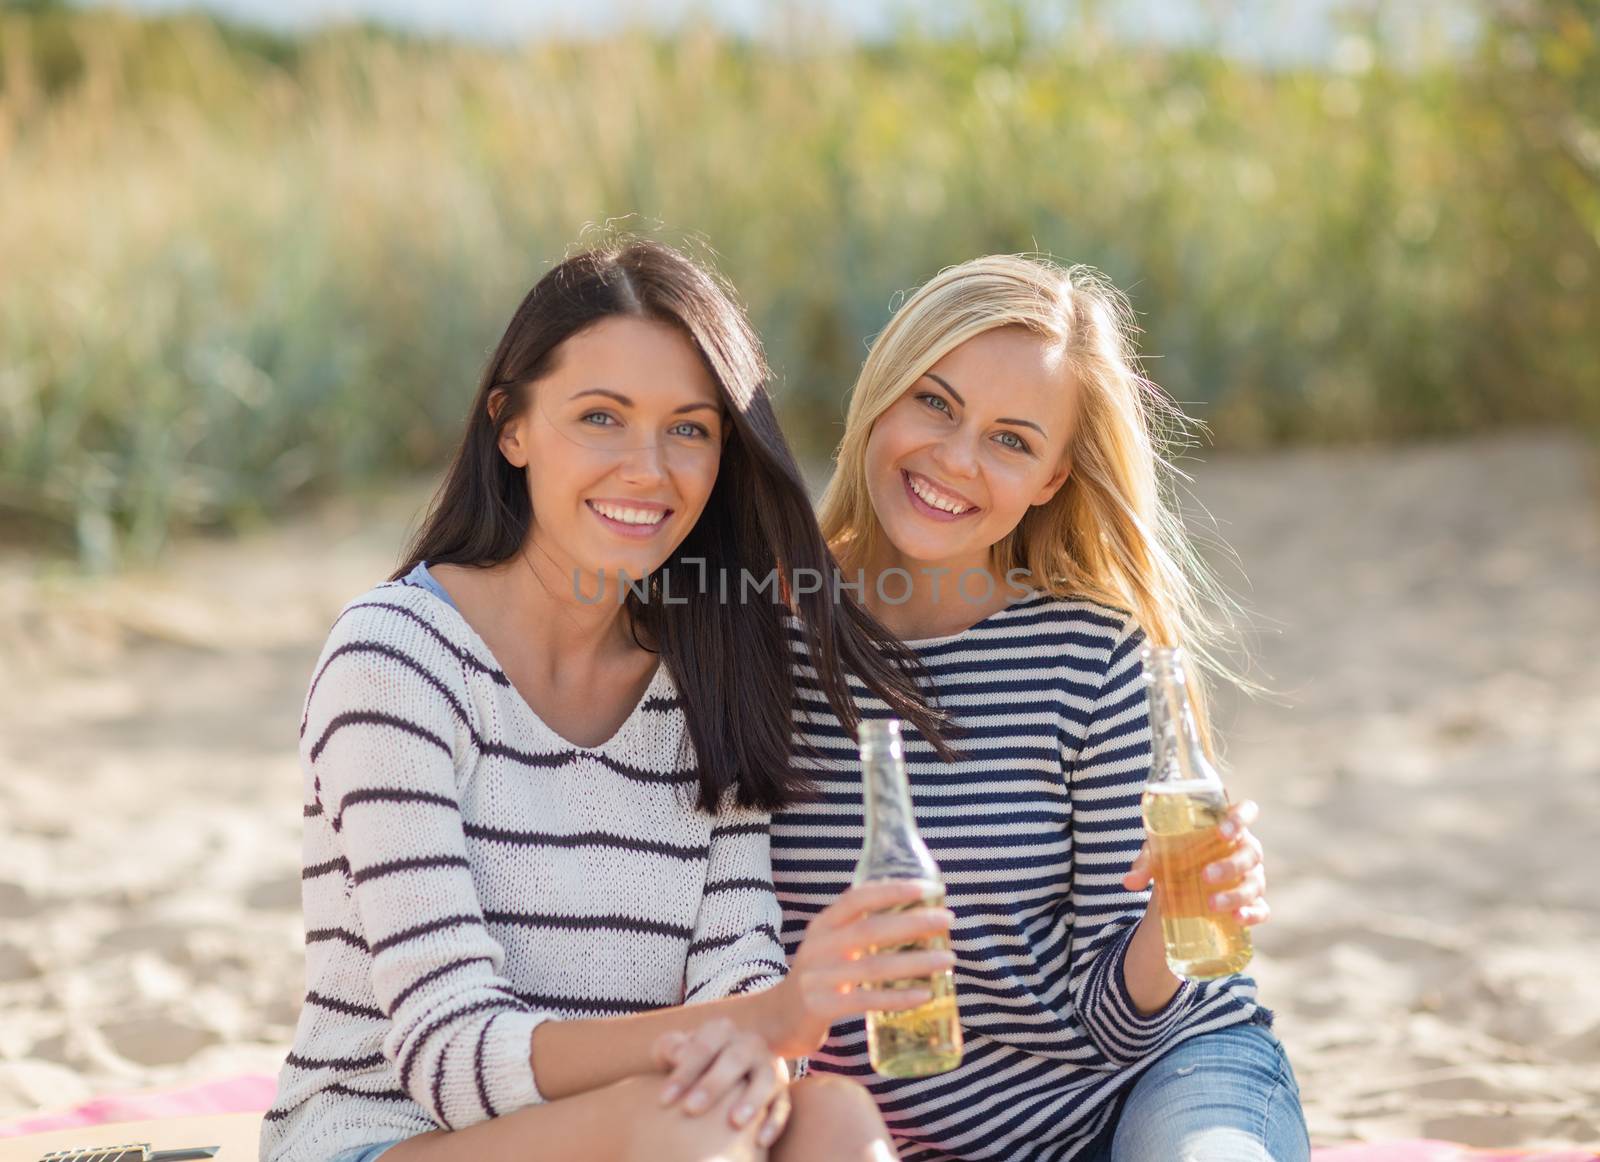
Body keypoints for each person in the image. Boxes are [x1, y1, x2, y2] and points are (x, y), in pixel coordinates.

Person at [260, 240, 957, 1162]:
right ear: (510, 426)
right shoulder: (395, 659)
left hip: (661, 1125)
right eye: (601, 417)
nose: (648, 470)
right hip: (387, 1136)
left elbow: (735, 968)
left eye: (689, 428)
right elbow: (450, 1054)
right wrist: (766, 1022)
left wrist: (759, 1043)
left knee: (836, 1120)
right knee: (687, 1122)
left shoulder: (711, 671)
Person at [771, 254, 1312, 1161]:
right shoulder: (764, 637)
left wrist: (1176, 920)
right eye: (934, 403)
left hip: (1147, 1086)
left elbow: (1113, 1029)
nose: (955, 458)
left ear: (1052, 480)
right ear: (881, 393)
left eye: (1012, 440)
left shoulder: (1090, 657)